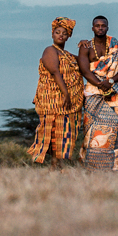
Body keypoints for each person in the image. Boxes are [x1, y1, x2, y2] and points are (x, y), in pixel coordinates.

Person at [77, 15, 118, 171]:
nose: (100, 28)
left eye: (103, 25)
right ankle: (90, 168)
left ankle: (111, 168)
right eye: (97, 25)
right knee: (92, 131)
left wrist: (109, 82)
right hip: (93, 93)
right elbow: (84, 70)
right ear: (92, 28)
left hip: (114, 91)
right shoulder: (85, 46)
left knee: (117, 127)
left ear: (107, 28)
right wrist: (100, 85)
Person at [28, 17, 87, 167]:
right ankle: (53, 169)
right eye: (57, 32)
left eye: (64, 33)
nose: (61, 35)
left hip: (69, 105)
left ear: (69, 36)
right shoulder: (50, 50)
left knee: (65, 137)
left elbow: (85, 62)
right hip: (54, 102)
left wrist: (85, 46)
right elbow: (55, 72)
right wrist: (66, 94)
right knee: (54, 136)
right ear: (52, 34)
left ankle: (57, 170)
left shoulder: (67, 55)